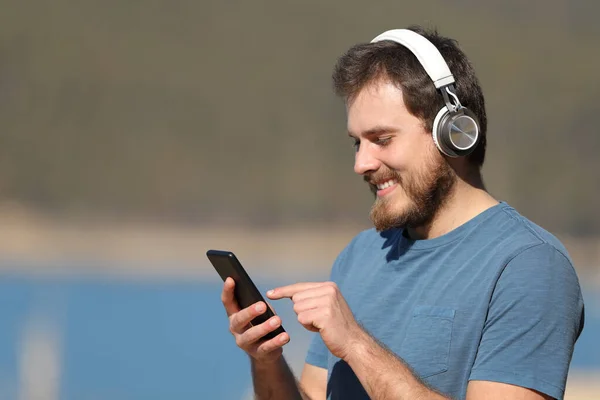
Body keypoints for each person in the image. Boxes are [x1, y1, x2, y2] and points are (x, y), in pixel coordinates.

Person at [220, 25, 585, 400]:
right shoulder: (359, 256)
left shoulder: (530, 265)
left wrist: (356, 345)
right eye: (356, 143)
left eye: (381, 140)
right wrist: (265, 359)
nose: (361, 163)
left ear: (454, 132)